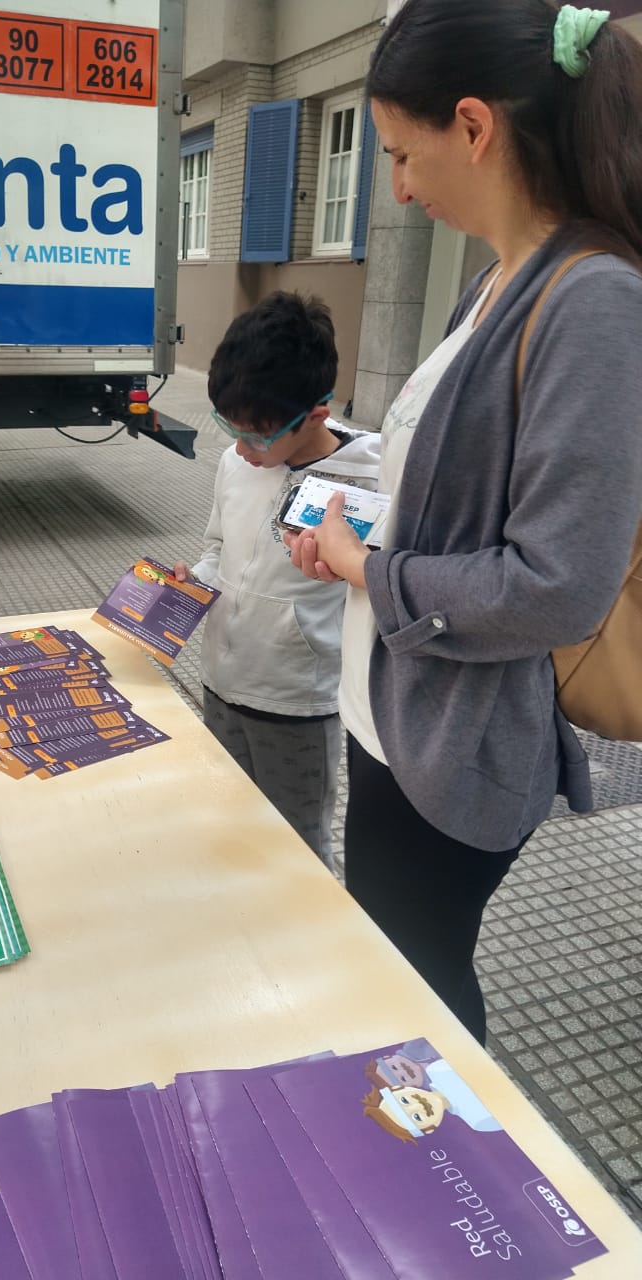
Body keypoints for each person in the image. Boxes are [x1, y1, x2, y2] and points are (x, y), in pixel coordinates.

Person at [285, 1, 642, 1043]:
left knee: (417, 995)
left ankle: (443, 1146)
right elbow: (450, 501)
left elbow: (557, 585)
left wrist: (370, 571)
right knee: (392, 974)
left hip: (456, 748)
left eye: (401, 153)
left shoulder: (594, 302)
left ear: (475, 126)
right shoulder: (496, 283)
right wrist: (350, 534)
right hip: (395, 714)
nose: (396, 187)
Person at [174, 292, 380, 868]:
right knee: (230, 825)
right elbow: (220, 549)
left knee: (297, 846)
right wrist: (189, 583)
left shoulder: (370, 481)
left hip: (297, 703)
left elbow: (381, 586)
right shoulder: (236, 464)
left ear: (315, 415)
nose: (242, 450)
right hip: (221, 681)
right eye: (230, 429)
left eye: (258, 436)